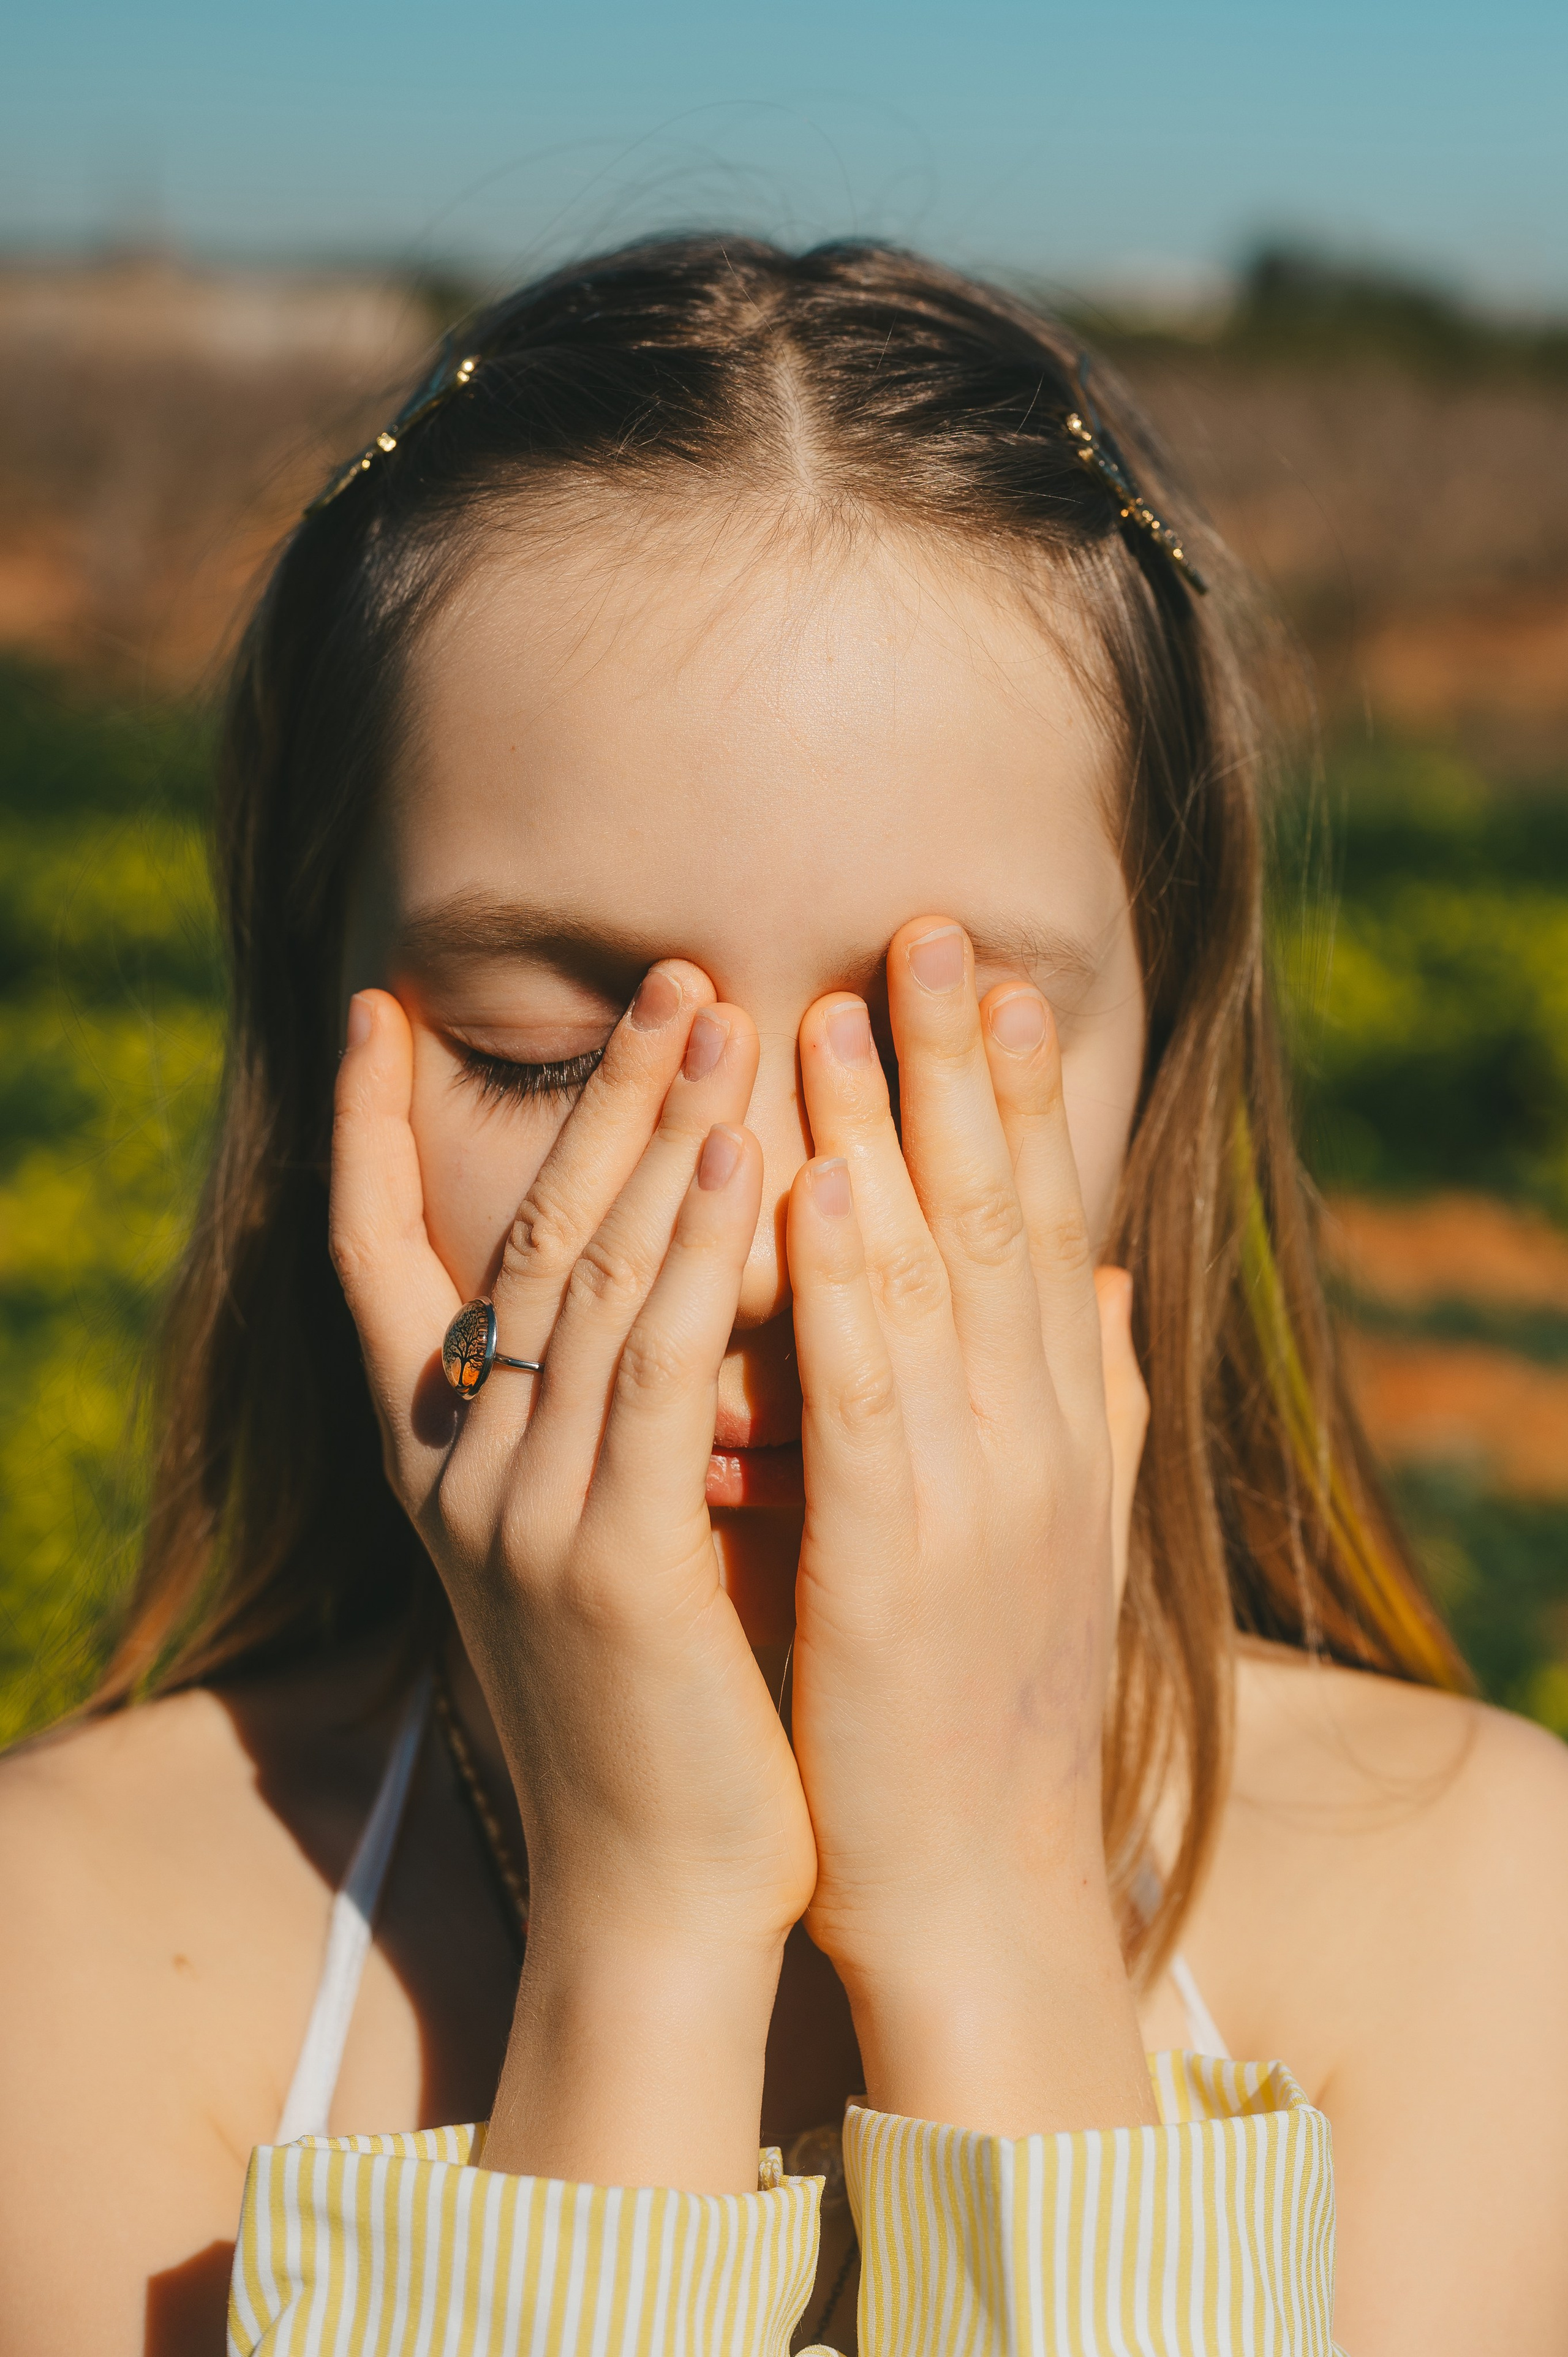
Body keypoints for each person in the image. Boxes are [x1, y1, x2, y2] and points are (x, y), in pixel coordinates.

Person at [2, 236, 1566, 2357]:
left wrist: (993, 1925)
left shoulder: (1492, 1915)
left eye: (931, 1064)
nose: (746, 1255)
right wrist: (644, 1945)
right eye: (559, 1061)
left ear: (1157, 1073)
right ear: (314, 1047)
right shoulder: (61, 1953)